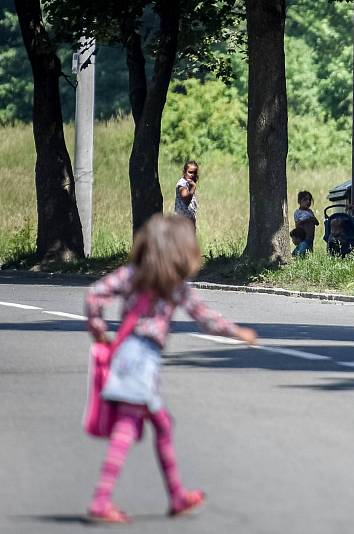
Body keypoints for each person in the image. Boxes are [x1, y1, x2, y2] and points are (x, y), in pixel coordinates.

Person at [84, 214, 257, 524]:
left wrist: (98, 329)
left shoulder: (132, 274)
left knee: (162, 424)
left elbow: (94, 294)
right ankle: (101, 500)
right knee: (127, 427)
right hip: (143, 356)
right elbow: (206, 319)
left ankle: (177, 495)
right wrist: (238, 333)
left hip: (127, 353)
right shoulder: (176, 286)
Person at [174, 160, 199, 229]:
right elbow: (186, 199)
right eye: (190, 172)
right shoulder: (182, 183)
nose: (192, 175)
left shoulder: (189, 183)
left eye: (195, 173)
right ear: (184, 172)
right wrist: (193, 187)